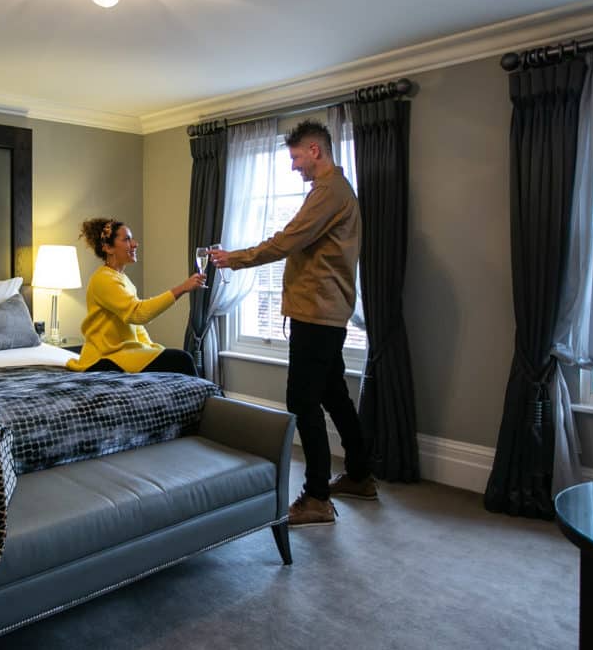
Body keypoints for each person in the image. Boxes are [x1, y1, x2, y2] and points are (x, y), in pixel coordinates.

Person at [209, 119, 375, 527]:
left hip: (317, 313)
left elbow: (287, 241)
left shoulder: (329, 191)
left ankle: (317, 496)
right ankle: (359, 475)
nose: (294, 166)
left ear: (315, 151)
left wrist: (235, 258)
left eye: (297, 157)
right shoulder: (332, 190)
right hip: (324, 311)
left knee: (302, 400)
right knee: (334, 394)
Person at [67, 217, 205, 376]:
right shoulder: (103, 279)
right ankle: (210, 399)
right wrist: (181, 289)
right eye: (127, 239)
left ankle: (205, 398)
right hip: (103, 358)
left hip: (123, 353)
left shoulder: (122, 279)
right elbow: (137, 313)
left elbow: (136, 327)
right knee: (182, 360)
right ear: (108, 248)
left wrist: (152, 349)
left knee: (175, 359)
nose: (135, 244)